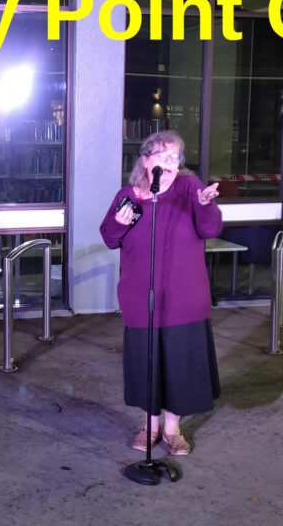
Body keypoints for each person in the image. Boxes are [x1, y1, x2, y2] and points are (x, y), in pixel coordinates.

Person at [99, 130, 222, 455]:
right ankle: (149, 426)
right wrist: (119, 221)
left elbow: (210, 229)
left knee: (179, 365)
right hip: (142, 299)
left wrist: (207, 205)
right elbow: (111, 238)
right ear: (145, 159)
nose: (169, 162)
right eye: (162, 155)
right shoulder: (131, 194)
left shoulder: (190, 188)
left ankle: (172, 429)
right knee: (147, 364)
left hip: (185, 298)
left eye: (175, 157)